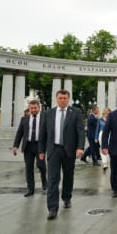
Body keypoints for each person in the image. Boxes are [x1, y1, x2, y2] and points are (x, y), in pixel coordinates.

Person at [39, 89, 85, 220]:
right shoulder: (48, 113)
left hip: (69, 150)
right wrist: (41, 150)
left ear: (68, 99)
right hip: (53, 150)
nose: (62, 100)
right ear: (56, 99)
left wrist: (80, 147)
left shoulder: (75, 113)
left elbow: (80, 132)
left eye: (65, 98)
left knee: (68, 176)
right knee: (53, 179)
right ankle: (52, 208)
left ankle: (66, 197)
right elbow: (42, 134)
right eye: (60, 98)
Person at [12, 100, 47, 197]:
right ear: (29, 109)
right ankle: (30, 189)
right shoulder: (24, 119)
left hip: (40, 146)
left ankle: (45, 182)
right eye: (31, 108)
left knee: (41, 166)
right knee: (29, 168)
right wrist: (15, 146)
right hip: (28, 146)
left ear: (39, 108)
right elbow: (19, 133)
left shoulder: (45, 118)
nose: (33, 110)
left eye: (35, 108)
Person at [95, 107, 111, 172]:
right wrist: (96, 137)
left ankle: (110, 161)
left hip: (110, 134)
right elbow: (97, 129)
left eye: (109, 113)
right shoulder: (100, 120)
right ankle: (104, 164)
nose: (108, 115)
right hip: (101, 134)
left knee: (109, 148)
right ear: (104, 113)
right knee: (103, 148)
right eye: (107, 113)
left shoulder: (111, 119)